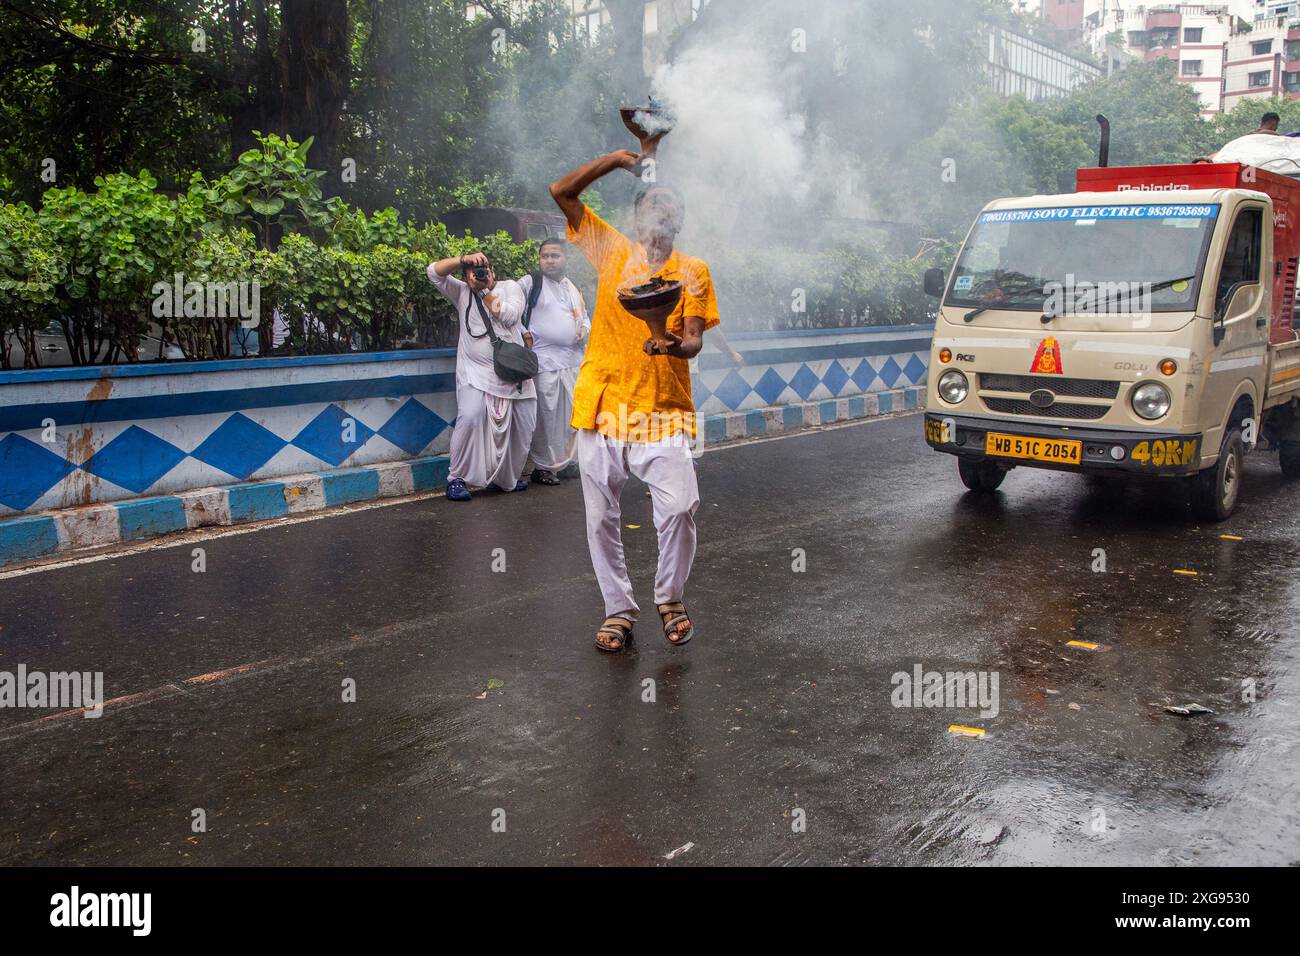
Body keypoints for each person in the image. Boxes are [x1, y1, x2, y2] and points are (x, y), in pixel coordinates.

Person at [550, 150, 720, 653]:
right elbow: (562, 192)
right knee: (600, 517)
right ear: (637, 215)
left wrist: (670, 344)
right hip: (603, 402)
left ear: (680, 220)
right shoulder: (611, 251)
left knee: (681, 505)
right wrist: (617, 159)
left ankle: (670, 596)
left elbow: (693, 339)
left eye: (670, 206)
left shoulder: (693, 271)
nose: (661, 211)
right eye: (652, 203)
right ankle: (618, 609)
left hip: (660, 408)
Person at [426, 251, 536, 501]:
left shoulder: (511, 288)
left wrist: (485, 292)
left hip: (514, 373)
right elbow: (433, 272)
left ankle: (506, 479)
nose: (481, 275)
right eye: (474, 272)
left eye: (485, 270)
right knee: (471, 417)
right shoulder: (463, 291)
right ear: (466, 277)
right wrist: (462, 260)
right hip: (474, 373)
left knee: (524, 425)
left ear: (493, 272)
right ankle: (456, 478)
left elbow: (509, 315)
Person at [517, 238, 590, 485]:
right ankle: (543, 467)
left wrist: (583, 329)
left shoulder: (572, 286)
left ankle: (566, 462)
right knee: (545, 419)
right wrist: (522, 333)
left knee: (571, 417)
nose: (549, 260)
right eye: (545, 256)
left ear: (565, 258)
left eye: (555, 256)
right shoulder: (530, 283)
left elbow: (585, 317)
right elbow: (509, 309)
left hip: (572, 362)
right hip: (543, 362)